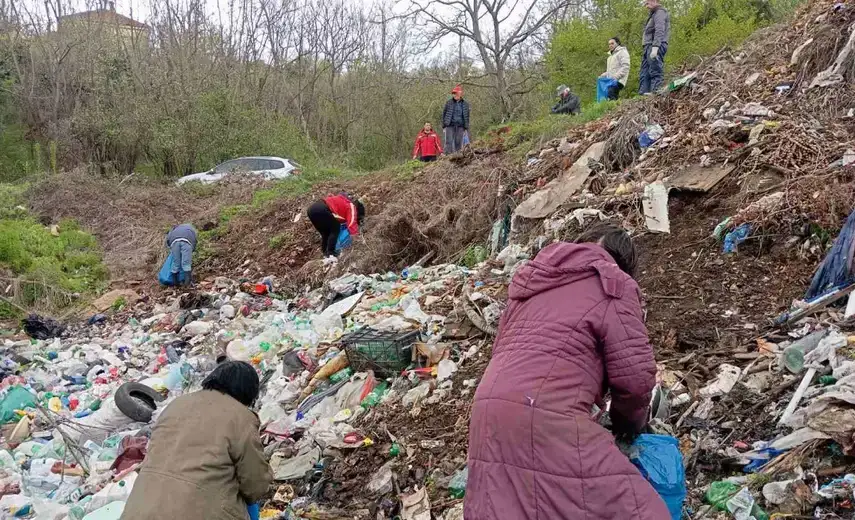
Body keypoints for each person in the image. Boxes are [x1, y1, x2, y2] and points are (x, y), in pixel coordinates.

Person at [464, 223, 670, 520]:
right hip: (543, 414)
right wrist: (629, 425)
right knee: (640, 510)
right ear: (623, 262)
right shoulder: (614, 283)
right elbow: (636, 379)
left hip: (487, 409)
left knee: (508, 506)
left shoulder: (532, 282)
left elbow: (502, 350)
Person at [121, 361, 272, 520]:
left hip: (137, 511)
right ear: (248, 391)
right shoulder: (241, 417)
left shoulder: (176, 405)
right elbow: (255, 482)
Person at [307, 193, 365, 258]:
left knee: (326, 233)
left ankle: (325, 252)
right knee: (335, 228)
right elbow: (351, 223)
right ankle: (331, 252)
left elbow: (337, 215)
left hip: (311, 210)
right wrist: (356, 238)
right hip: (321, 208)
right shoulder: (351, 207)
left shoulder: (342, 201)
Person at [639, 0, 670, 95]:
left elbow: (659, 30)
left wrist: (655, 47)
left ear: (654, 1)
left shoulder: (660, 12)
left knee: (655, 70)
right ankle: (643, 93)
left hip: (655, 45)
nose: (646, 6)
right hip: (648, 46)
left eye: (647, 3)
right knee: (645, 71)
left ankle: (656, 93)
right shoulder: (652, 15)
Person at [441, 84, 470, 154]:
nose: (454, 95)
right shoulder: (448, 103)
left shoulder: (465, 104)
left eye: (455, 93)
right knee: (448, 142)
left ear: (460, 93)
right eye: (453, 93)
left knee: (458, 143)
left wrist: (466, 127)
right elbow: (444, 114)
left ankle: (458, 156)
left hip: (460, 126)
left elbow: (467, 116)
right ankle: (447, 157)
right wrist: (444, 126)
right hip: (450, 125)